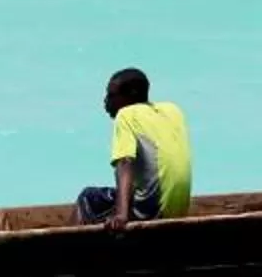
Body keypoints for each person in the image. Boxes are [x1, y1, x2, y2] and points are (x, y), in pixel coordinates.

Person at [75, 67, 192, 230]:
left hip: (149, 211)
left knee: (87, 197)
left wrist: (122, 215)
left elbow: (125, 162)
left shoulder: (126, 116)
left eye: (111, 95)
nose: (105, 102)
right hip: (179, 210)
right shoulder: (173, 111)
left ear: (131, 95)